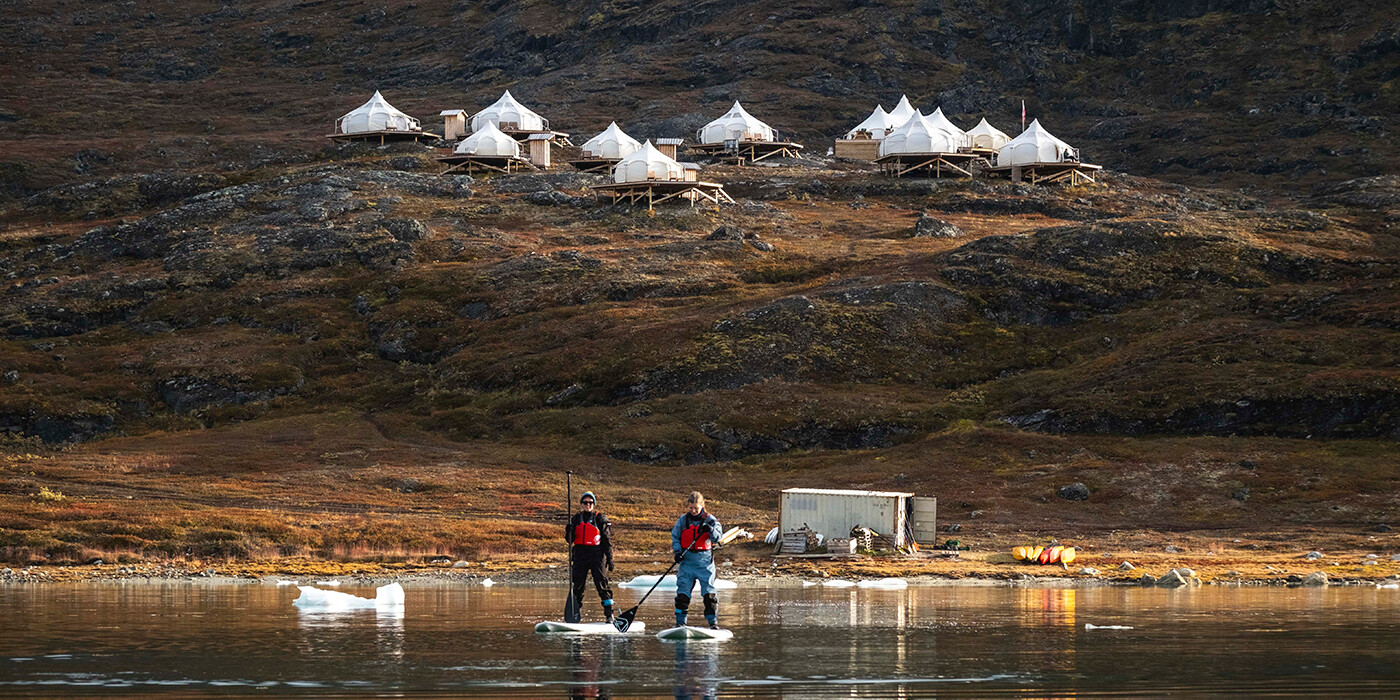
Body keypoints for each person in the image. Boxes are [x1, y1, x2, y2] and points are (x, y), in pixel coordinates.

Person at [672, 491, 724, 629]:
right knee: (682, 594)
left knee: (709, 595)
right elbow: (675, 537)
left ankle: (713, 623)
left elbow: (718, 537)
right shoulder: (682, 520)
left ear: (702, 506)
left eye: (696, 508)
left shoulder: (711, 520)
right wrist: (677, 552)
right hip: (686, 562)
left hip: (704, 563)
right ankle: (680, 622)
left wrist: (711, 530)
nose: (693, 511)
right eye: (691, 508)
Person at [565, 491, 614, 623]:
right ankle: (574, 614)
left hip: (597, 555)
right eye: (585, 502)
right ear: (581, 504)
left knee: (602, 584)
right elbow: (570, 540)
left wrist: (609, 558)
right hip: (580, 554)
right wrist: (569, 530)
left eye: (590, 502)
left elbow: (607, 540)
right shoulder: (575, 519)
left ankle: (609, 614)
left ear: (593, 504)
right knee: (578, 586)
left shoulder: (600, 519)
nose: (588, 505)